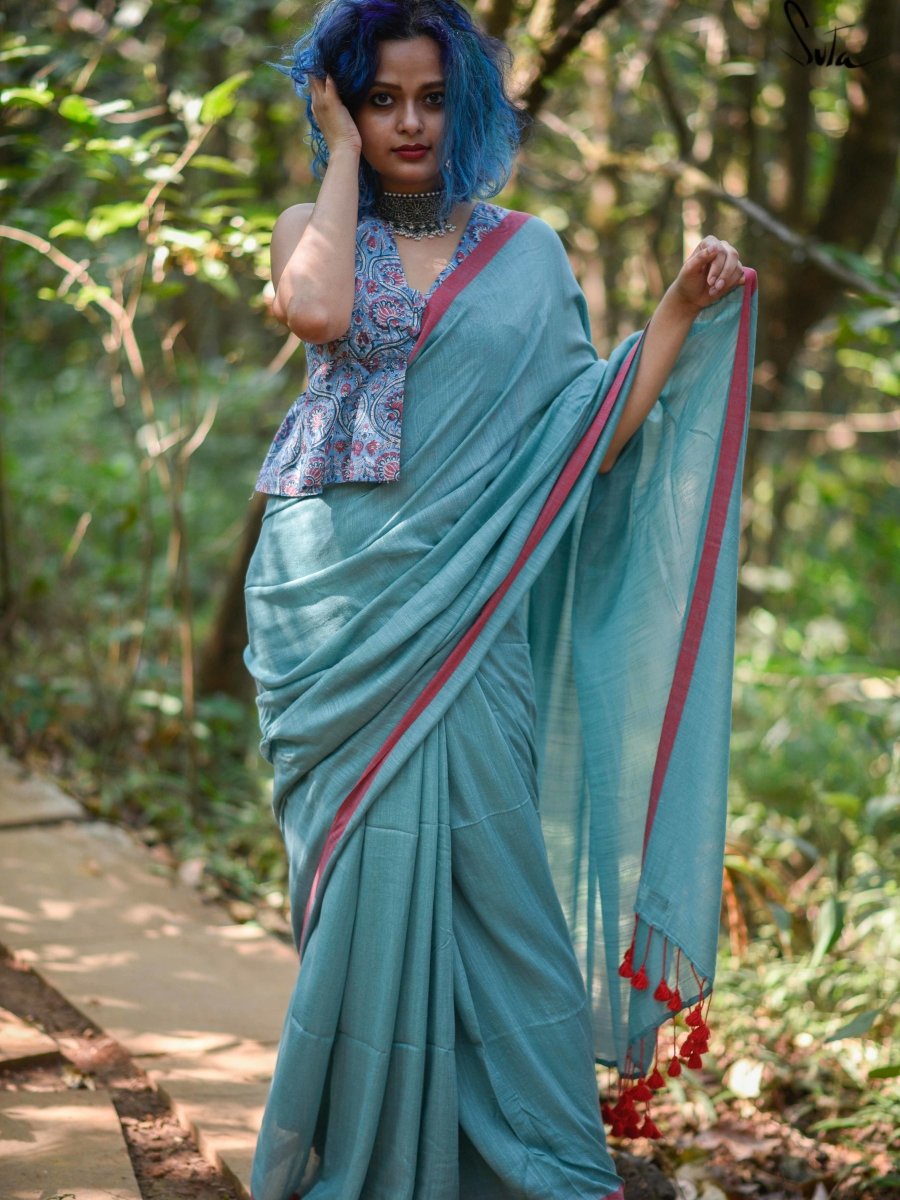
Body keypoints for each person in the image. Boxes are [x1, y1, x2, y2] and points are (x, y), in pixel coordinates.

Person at [243, 1, 758, 1197]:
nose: (410, 122)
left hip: (471, 617)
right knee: (359, 906)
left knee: (503, 899)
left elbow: (580, 438)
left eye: (431, 96)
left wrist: (676, 312)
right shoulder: (308, 226)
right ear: (342, 105)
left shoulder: (526, 254)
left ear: (465, 101)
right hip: (333, 619)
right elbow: (315, 313)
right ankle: (369, 1158)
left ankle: (535, 1160)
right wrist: (335, 164)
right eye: (381, 99)